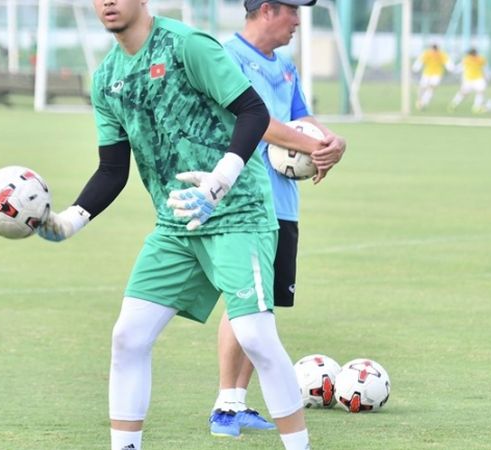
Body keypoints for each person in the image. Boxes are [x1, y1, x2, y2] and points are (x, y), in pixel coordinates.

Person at [37, 0, 311, 448]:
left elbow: (254, 112)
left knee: (256, 336)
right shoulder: (107, 79)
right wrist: (69, 220)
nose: (107, 2)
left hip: (237, 213)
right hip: (177, 225)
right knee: (128, 336)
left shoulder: (186, 45)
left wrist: (217, 184)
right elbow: (112, 170)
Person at [209, 0, 347, 438]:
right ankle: (225, 406)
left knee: (262, 304)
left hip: (283, 203)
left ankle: (236, 402)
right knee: (246, 301)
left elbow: (298, 116)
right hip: (245, 198)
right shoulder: (226, 58)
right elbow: (257, 121)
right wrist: (307, 145)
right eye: (293, 10)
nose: (299, 21)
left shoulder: (285, 65)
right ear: (266, 9)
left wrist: (328, 141)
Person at [448, 48, 491, 113]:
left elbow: (460, 68)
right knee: (476, 93)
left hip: (472, 79)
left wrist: (454, 70)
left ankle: (455, 104)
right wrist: (486, 77)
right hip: (475, 79)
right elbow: (484, 69)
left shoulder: (468, 59)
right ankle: (475, 107)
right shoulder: (479, 59)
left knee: (472, 93)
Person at [412, 43, 453, 111]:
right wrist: (415, 68)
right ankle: (419, 100)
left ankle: (424, 102)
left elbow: (448, 62)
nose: (434, 50)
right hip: (427, 73)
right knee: (423, 88)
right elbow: (420, 61)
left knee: (432, 87)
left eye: (435, 49)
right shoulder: (427, 53)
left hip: (437, 74)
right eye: (433, 48)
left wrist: (451, 68)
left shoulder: (441, 54)